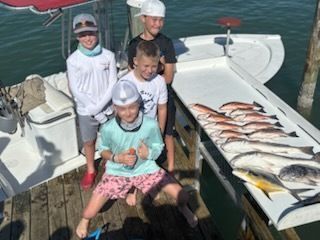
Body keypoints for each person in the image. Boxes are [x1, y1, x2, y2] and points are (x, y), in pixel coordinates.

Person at [75, 80, 197, 239]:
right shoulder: (108, 128)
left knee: (183, 197)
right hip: (117, 172)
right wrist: (116, 157)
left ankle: (183, 209)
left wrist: (149, 153)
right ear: (115, 108)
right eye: (122, 108)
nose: (128, 112)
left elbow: (158, 146)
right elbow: (103, 150)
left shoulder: (150, 124)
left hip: (146, 169)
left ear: (139, 104)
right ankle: (85, 220)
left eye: (132, 106)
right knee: (89, 211)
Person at [66, 13, 117, 190]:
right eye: (82, 34)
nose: (87, 38)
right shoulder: (72, 60)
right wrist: (95, 110)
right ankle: (90, 169)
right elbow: (75, 89)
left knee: (111, 140)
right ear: (76, 36)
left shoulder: (108, 56)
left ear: (97, 32)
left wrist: (101, 107)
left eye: (90, 33)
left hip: (108, 108)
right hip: (86, 110)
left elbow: (113, 84)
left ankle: (109, 164)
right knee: (89, 142)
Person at [127, 0, 177, 175]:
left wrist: (153, 75)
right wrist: (158, 69)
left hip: (164, 97)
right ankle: (143, 165)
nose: (158, 24)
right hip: (142, 100)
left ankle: (170, 168)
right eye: (154, 19)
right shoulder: (133, 45)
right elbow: (132, 75)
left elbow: (169, 78)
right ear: (143, 18)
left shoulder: (167, 43)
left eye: (161, 20)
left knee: (167, 133)